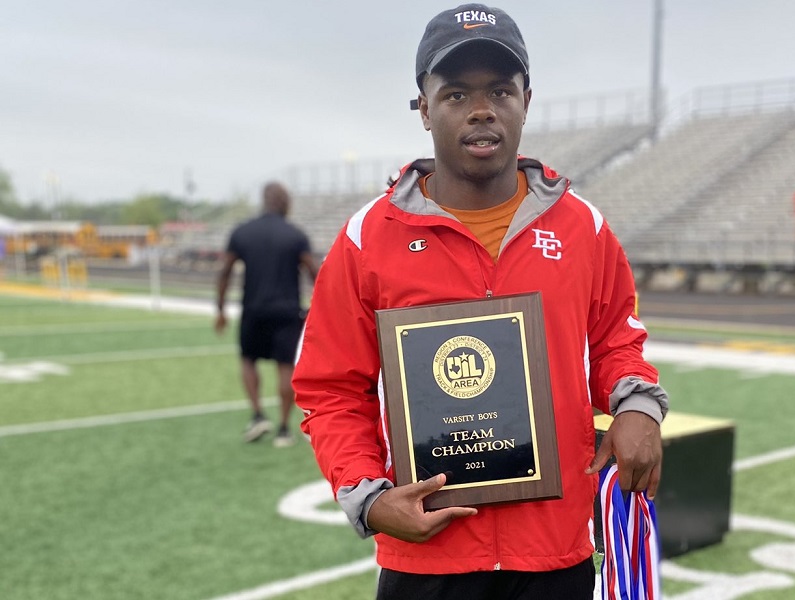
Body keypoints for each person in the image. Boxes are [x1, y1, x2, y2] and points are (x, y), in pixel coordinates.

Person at [292, 4, 669, 599]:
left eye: (500, 89)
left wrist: (638, 407)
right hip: (428, 562)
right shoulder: (369, 236)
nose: (481, 109)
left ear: (526, 98)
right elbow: (331, 386)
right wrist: (367, 496)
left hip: (553, 553)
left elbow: (617, 339)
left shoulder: (582, 226)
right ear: (423, 107)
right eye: (455, 94)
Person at [216, 182, 319, 447]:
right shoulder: (294, 234)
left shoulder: (243, 232)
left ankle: (258, 414)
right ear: (284, 202)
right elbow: (314, 272)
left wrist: (220, 309)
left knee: (248, 360)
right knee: (285, 367)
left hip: (253, 308)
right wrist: (320, 308)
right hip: (287, 310)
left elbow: (225, 271)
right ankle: (284, 429)